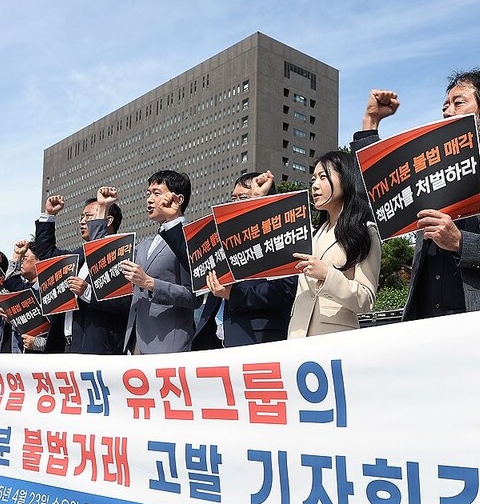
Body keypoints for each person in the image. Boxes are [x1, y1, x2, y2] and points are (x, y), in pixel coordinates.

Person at [351, 70, 480, 320]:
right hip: (423, 325)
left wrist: (461, 242)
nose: (447, 111)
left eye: (458, 103)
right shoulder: (426, 175)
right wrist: (370, 123)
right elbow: (370, 201)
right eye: (445, 106)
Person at [193, 171, 297, 350]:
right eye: (232, 199)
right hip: (214, 340)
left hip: (256, 341)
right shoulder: (223, 238)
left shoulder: (277, 236)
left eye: (241, 197)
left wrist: (233, 295)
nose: (234, 204)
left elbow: (285, 289)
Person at [288, 151, 381, 338]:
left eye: (323, 177)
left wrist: (328, 276)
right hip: (297, 333)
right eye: (313, 179)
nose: (314, 185)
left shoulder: (365, 231)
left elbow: (366, 300)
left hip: (335, 337)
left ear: (345, 178)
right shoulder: (313, 234)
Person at [33, 187, 130, 354]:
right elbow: (47, 254)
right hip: (66, 345)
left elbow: (123, 303)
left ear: (107, 221)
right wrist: (49, 215)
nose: (82, 221)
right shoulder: (78, 256)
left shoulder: (122, 254)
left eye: (88, 216)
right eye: (82, 217)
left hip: (98, 347)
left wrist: (87, 292)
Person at [119, 170, 198, 353]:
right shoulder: (146, 244)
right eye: (148, 194)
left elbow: (194, 296)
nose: (149, 199)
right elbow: (106, 259)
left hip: (167, 342)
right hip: (135, 340)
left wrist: (150, 283)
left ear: (177, 199)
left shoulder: (191, 236)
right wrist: (102, 210)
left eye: (156, 193)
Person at [2, 240, 50, 353]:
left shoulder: (49, 290)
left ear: (39, 261)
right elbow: (11, 280)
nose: (21, 262)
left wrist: (38, 343)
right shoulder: (25, 289)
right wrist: (16, 255)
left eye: (25, 258)